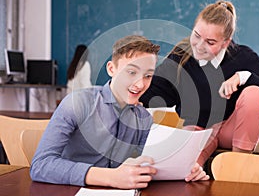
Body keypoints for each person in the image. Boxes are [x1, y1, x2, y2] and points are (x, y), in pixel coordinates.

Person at [30, 35, 209, 189]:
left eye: (148, 76)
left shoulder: (144, 119)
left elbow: (142, 165)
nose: (139, 84)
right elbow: (40, 165)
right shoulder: (78, 104)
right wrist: (111, 177)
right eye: (131, 72)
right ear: (111, 69)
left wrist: (185, 169)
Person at [140, 0, 259, 166]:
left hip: (232, 133)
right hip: (199, 131)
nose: (199, 46)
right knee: (185, 168)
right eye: (196, 36)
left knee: (255, 93)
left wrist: (244, 77)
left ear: (225, 43)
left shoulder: (243, 57)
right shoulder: (181, 57)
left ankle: (239, 164)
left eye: (210, 42)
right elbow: (158, 90)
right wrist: (126, 88)